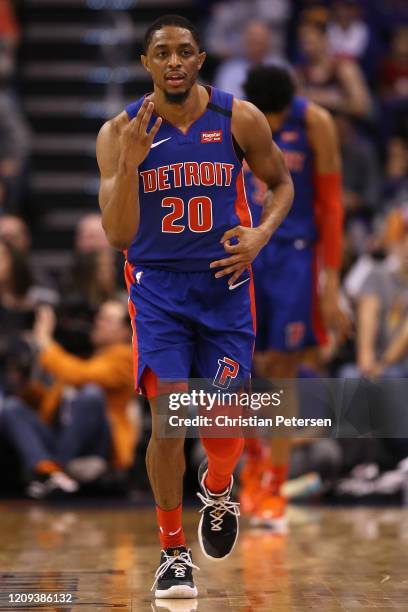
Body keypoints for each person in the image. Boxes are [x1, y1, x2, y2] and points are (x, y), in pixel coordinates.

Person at [96, 15, 293, 599]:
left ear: (201, 58)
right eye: (163, 53)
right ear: (147, 63)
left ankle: (219, 485)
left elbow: (281, 185)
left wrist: (260, 235)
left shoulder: (240, 118)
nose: (175, 61)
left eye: (185, 51)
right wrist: (131, 163)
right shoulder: (118, 131)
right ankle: (172, 551)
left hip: (225, 286)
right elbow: (117, 233)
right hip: (158, 291)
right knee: (169, 422)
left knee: (222, 424)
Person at [241, 65, 350, 528]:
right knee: (238, 365)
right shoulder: (237, 120)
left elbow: (331, 204)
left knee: (284, 369)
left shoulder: (315, 123)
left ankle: (273, 485)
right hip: (245, 246)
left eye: (278, 117)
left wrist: (331, 282)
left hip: (294, 255)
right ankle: (248, 468)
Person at [1, 299, 137, 497]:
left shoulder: (127, 357)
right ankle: (49, 472)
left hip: (100, 446)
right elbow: (57, 403)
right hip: (63, 437)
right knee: (12, 407)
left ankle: (57, 468)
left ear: (126, 330)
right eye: (98, 317)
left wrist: (45, 340)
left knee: (91, 394)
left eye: (106, 319)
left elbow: (80, 375)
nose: (98, 322)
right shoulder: (89, 358)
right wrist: (25, 386)